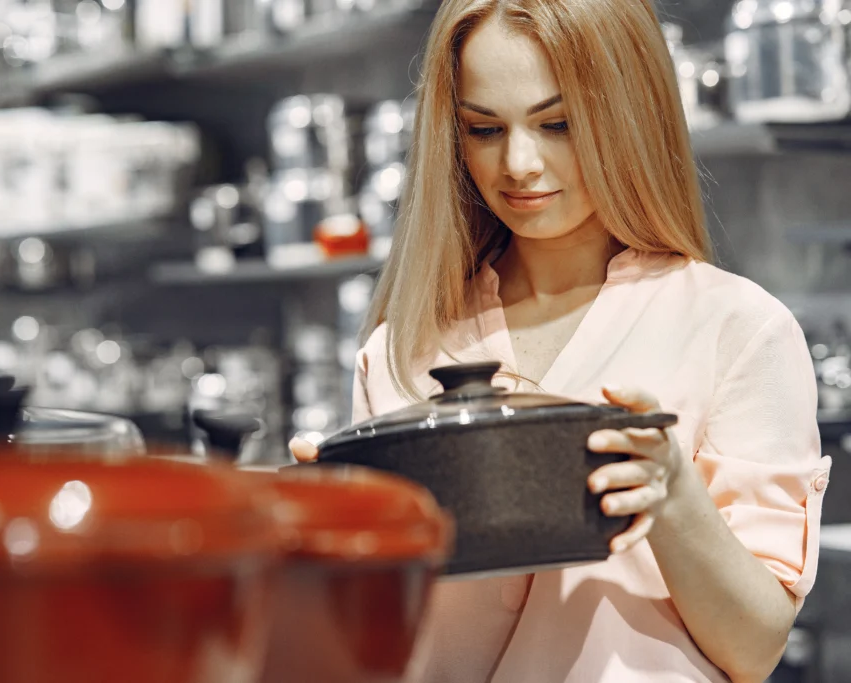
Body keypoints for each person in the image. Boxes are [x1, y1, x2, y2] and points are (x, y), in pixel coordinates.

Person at [289, 0, 833, 681]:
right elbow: (373, 637)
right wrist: (323, 535)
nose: (518, 163)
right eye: (484, 129)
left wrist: (671, 493)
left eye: (558, 124)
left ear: (629, 116)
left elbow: (754, 648)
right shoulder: (403, 349)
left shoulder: (735, 329)